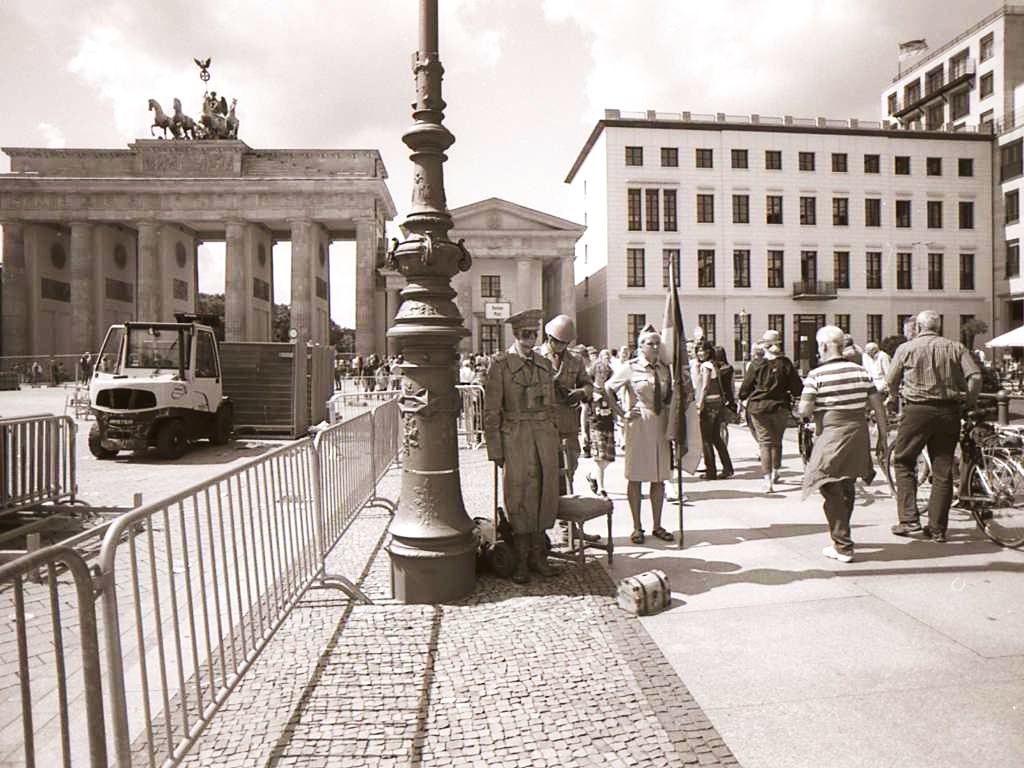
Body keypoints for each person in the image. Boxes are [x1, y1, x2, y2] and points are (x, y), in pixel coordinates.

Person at [886, 310, 981, 542]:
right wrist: (968, 402)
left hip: (917, 410)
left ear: (918, 327)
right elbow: (976, 377)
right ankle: (937, 528)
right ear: (938, 327)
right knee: (943, 468)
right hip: (949, 411)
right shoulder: (955, 347)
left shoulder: (906, 349)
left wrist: (892, 396)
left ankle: (909, 520)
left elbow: (891, 380)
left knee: (903, 461)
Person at [482, 309, 561, 583]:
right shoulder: (500, 365)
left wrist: (555, 437)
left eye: (534, 333)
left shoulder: (544, 363)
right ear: (515, 334)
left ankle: (540, 557)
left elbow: (551, 405)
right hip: (515, 438)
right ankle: (522, 559)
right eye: (526, 333)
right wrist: (495, 450)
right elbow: (491, 411)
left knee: (544, 493)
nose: (531, 338)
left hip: (543, 437)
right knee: (518, 495)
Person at [799, 326, 889, 563]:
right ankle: (841, 538)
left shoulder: (816, 375)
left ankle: (842, 545)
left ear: (824, 346)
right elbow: (878, 407)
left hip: (831, 434)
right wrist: (882, 436)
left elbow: (804, 409)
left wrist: (806, 407)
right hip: (858, 434)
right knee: (846, 484)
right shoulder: (861, 372)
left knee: (826, 483)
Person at [606, 325, 674, 544]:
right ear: (640, 346)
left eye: (657, 343)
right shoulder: (630, 368)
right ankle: (637, 527)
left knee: (659, 477)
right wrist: (622, 413)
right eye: (649, 343)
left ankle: (657, 525)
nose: (654, 347)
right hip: (639, 424)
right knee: (635, 477)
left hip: (661, 423)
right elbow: (607, 389)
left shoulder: (664, 369)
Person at [738, 329, 803, 492]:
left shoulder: (756, 364)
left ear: (764, 346)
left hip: (759, 407)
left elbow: (745, 388)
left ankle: (767, 481)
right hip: (780, 406)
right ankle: (776, 471)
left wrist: (743, 397)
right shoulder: (786, 363)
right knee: (777, 441)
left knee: (764, 443)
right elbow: (797, 388)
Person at [536, 314, 593, 493]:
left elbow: (588, 384)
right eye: (559, 342)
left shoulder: (575, 360)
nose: (562, 347)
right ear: (549, 338)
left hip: (567, 424)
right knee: (542, 472)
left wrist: (581, 392)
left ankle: (565, 514)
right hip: (541, 424)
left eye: (566, 343)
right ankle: (546, 513)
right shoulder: (535, 357)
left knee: (569, 468)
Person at [695, 341, 733, 479]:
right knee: (716, 438)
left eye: (703, 350)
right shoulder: (714, 365)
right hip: (717, 403)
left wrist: (700, 404)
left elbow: (705, 386)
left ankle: (710, 471)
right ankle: (727, 468)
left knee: (706, 439)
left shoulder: (706, 366)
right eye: (698, 350)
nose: (700, 353)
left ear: (709, 352)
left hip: (708, 404)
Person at [586, 349, 616, 496]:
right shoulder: (590, 390)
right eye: (599, 373)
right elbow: (584, 410)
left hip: (609, 425)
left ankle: (592, 476)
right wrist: (585, 432)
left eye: (604, 373)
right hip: (596, 426)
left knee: (608, 459)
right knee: (599, 458)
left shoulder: (609, 390)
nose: (602, 376)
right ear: (594, 374)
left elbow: (615, 407)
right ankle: (601, 488)